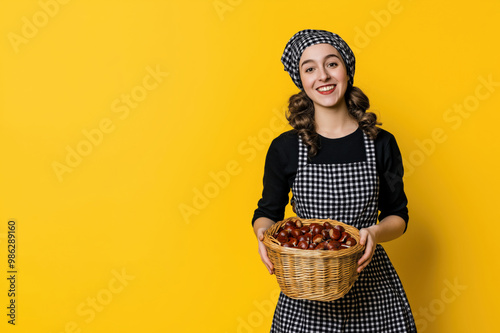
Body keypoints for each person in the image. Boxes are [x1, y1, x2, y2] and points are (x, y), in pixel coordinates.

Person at [252, 29, 417, 332]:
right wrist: (263, 238)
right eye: (310, 68)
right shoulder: (285, 147)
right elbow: (268, 212)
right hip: (306, 294)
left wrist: (374, 233)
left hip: (374, 294)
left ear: (346, 70)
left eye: (332, 64)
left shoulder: (381, 143)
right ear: (300, 80)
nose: (323, 76)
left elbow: (399, 215)